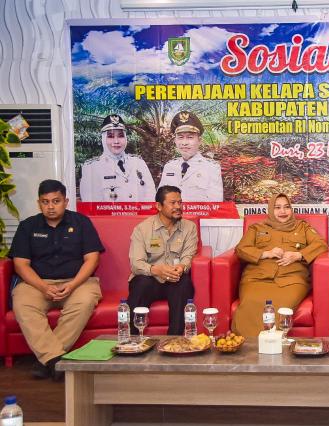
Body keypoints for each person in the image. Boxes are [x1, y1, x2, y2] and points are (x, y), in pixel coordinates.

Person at [9, 179, 104, 380]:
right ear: (39, 203)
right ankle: (55, 360)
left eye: (56, 201)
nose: (51, 207)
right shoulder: (28, 226)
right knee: (22, 303)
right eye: (45, 202)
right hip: (37, 283)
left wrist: (72, 284)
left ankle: (45, 360)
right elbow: (21, 264)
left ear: (66, 201)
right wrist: (43, 287)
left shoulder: (81, 222)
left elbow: (92, 259)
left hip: (77, 282)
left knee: (85, 301)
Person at [232, 193, 328, 337]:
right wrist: (266, 253)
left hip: (291, 280)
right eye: (277, 208)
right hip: (256, 278)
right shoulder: (256, 228)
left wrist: (298, 255)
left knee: (281, 307)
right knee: (251, 302)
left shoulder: (302, 227)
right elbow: (241, 249)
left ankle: (272, 343)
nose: (283, 211)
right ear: (271, 210)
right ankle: (248, 347)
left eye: (286, 207)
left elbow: (321, 245)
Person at [127, 186, 198, 335]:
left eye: (180, 202)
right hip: (150, 279)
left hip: (174, 279)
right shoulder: (142, 229)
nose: (178, 207)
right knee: (141, 283)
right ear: (158, 206)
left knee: (184, 283)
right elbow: (136, 263)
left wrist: (181, 267)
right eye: (173, 203)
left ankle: (174, 340)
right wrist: (156, 270)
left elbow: (188, 256)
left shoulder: (189, 227)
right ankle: (132, 339)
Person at [80, 114, 155, 202]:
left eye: (120, 136)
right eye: (111, 136)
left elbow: (151, 196)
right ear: (103, 139)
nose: (116, 141)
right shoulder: (91, 168)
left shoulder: (139, 163)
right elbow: (90, 203)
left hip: (141, 211)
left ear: (126, 138)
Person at [158, 111, 224, 202]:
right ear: (175, 141)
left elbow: (215, 204)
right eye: (180, 137)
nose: (184, 143)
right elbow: (160, 200)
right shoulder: (169, 167)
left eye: (190, 137)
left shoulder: (211, 168)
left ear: (199, 141)